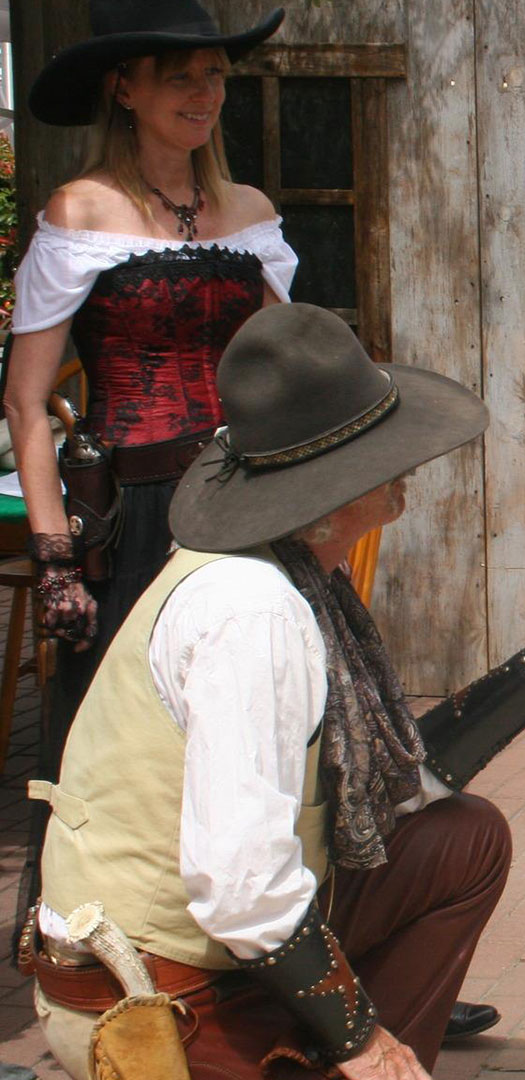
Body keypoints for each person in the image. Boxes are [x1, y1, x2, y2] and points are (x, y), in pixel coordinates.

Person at [23, 303, 525, 1079]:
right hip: (148, 996)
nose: (405, 467)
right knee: (361, 1008)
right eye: (382, 452)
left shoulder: (293, 576)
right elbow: (240, 889)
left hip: (218, 946)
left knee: (463, 838)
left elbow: (396, 791)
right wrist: (364, 1039)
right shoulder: (252, 611)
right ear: (329, 487)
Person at [5, 0, 294, 751]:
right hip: (131, 516)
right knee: (130, 736)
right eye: (179, 78)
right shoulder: (82, 212)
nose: (204, 94)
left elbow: (285, 362)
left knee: (243, 725)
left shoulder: (250, 212)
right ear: (124, 88)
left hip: (239, 503)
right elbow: (26, 400)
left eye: (213, 75)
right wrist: (55, 562)